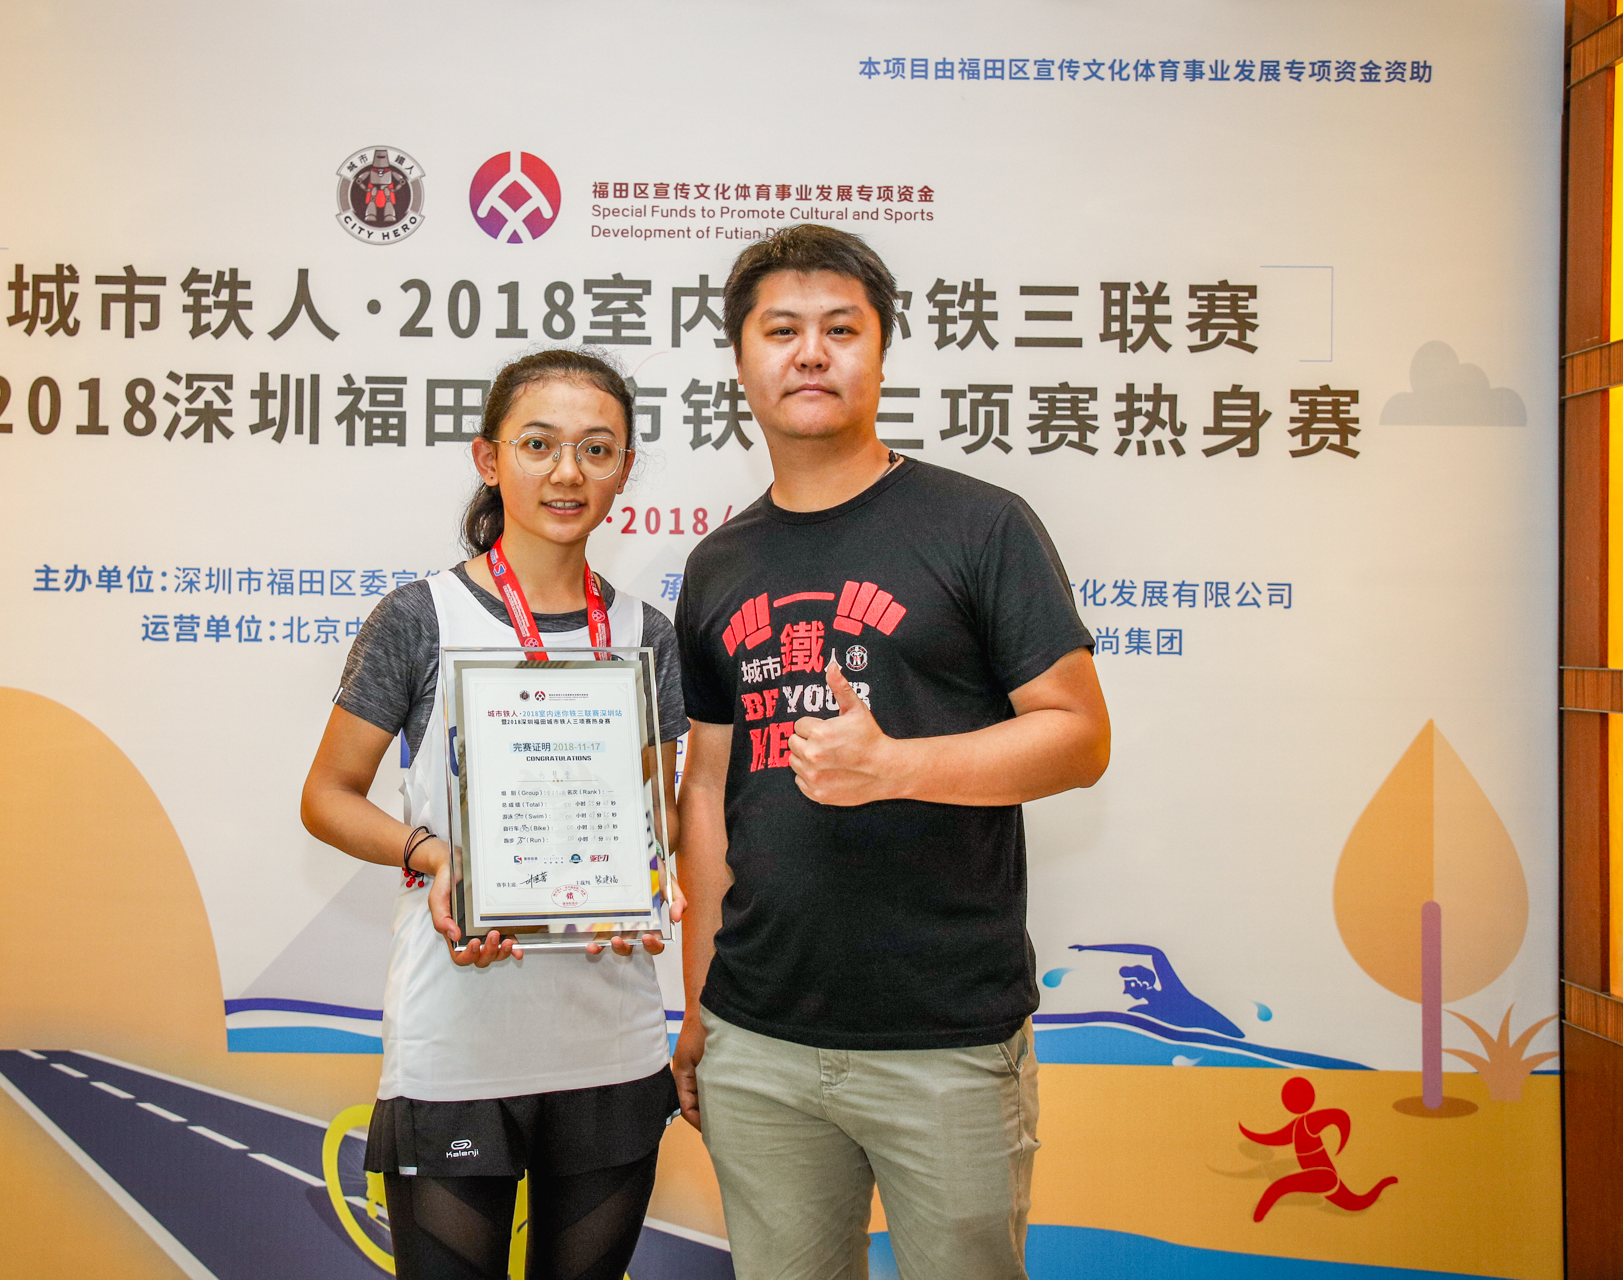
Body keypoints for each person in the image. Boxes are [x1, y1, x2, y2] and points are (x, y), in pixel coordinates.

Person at [669, 225, 1111, 1280]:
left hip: (944, 1037)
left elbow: (1079, 734)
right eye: (781, 330)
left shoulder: (980, 525)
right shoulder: (719, 563)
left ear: (880, 351)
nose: (810, 353)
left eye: (841, 329)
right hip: (758, 1039)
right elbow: (709, 788)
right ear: (741, 359)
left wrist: (895, 767)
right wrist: (700, 1009)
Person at [302, 347, 689, 1280]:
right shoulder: (420, 618)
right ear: (489, 458)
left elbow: (660, 820)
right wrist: (434, 855)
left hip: (608, 1038)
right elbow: (326, 797)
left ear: (625, 470)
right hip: (458, 1040)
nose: (568, 473)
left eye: (597, 449)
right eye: (539, 445)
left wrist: (645, 881)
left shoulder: (646, 635)